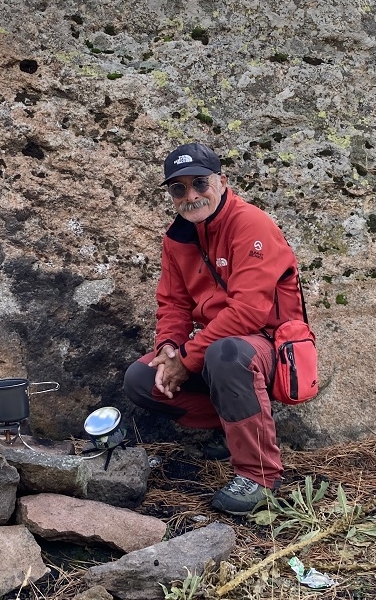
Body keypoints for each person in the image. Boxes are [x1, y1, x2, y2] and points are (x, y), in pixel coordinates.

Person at [123, 142, 308, 515]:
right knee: (142, 380)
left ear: (221, 182)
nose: (191, 196)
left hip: (270, 347)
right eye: (179, 188)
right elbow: (173, 303)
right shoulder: (178, 238)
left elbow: (247, 313)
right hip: (220, 347)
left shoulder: (251, 224)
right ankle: (235, 429)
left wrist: (187, 359)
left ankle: (260, 476)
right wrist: (169, 348)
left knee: (227, 354)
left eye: (199, 183)